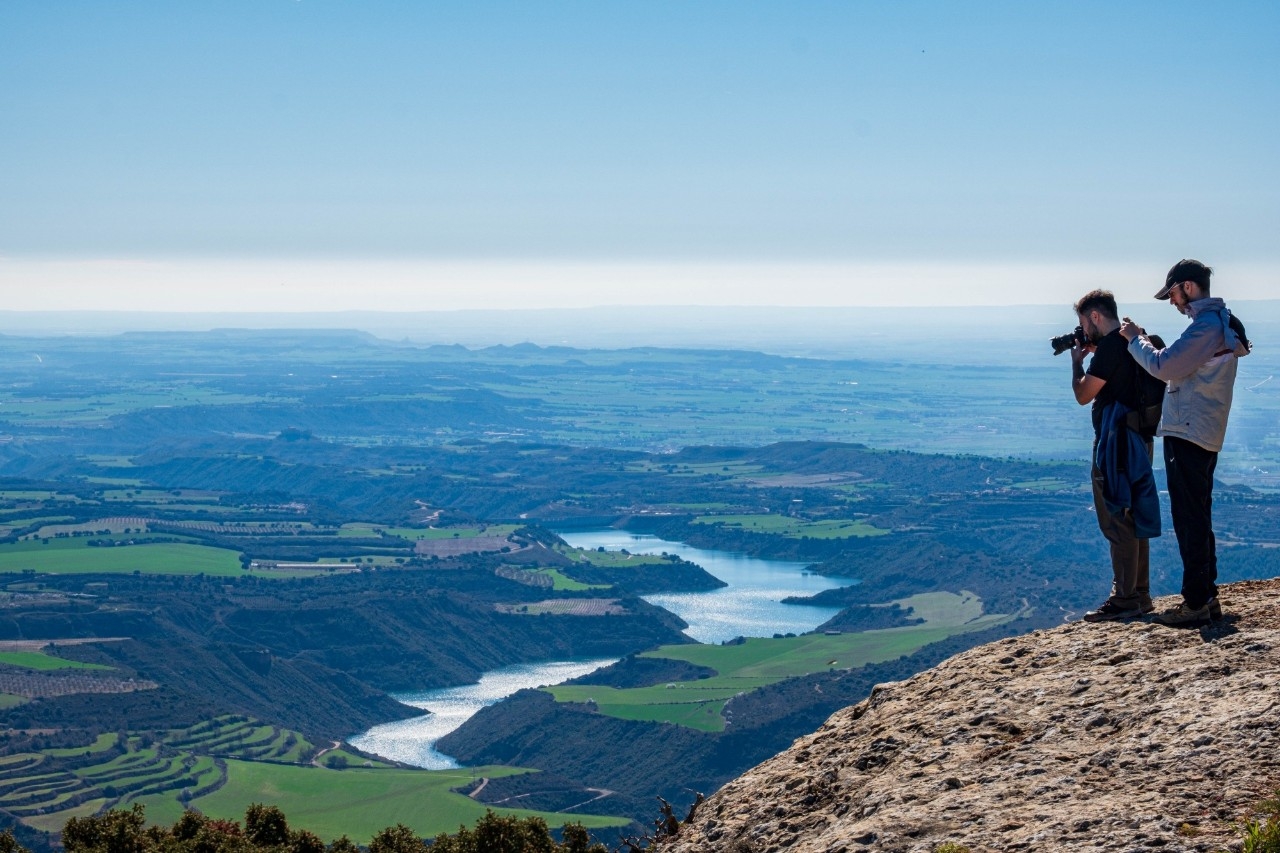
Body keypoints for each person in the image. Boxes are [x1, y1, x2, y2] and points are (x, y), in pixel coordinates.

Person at [1120, 259, 1251, 627]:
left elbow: (1165, 366)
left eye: (1173, 294)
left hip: (1188, 429)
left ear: (1188, 287)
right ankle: (1205, 597)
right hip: (1203, 429)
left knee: (1189, 517)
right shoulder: (1218, 323)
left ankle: (1196, 603)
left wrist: (1134, 339)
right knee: (1198, 514)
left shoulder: (1207, 327)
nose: (1173, 302)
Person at [1069, 290, 1156, 622]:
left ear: (1094, 316)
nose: (1082, 331)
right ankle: (1140, 593)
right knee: (1136, 515)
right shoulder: (1134, 340)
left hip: (1115, 443)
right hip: (1139, 439)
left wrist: (1077, 363)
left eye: (1082, 323)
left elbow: (1083, 394)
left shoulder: (1109, 348)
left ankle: (1125, 598)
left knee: (1116, 516)